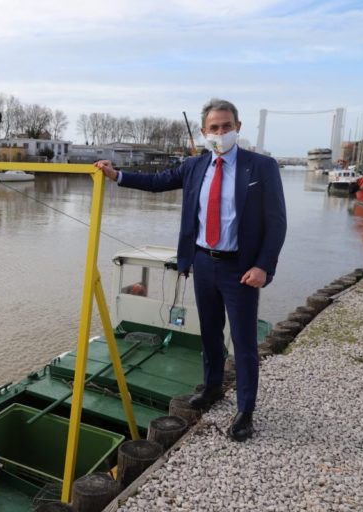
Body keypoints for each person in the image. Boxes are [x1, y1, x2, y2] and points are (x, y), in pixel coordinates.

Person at [94, 98, 286, 442]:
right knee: (209, 334)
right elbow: (158, 182)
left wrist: (263, 267)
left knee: (243, 342)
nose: (221, 133)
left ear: (238, 128)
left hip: (240, 269)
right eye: (214, 128)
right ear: (203, 132)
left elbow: (276, 222)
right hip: (203, 262)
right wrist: (117, 175)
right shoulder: (195, 166)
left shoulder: (261, 168)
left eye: (227, 126)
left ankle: (246, 410)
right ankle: (212, 388)